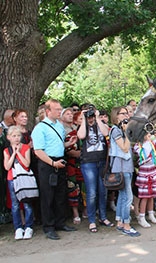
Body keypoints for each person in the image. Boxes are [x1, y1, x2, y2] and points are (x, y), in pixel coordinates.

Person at [31, 99, 78, 240]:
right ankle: (49, 227)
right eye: (57, 109)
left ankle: (60, 222)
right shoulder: (40, 128)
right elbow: (38, 151)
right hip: (48, 163)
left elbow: (58, 144)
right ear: (47, 111)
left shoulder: (59, 125)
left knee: (60, 194)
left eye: (60, 109)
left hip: (60, 160)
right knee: (48, 196)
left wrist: (68, 143)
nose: (60, 112)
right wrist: (52, 163)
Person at [77, 104, 114, 233]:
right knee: (92, 193)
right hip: (88, 163)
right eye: (89, 114)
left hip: (102, 161)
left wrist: (98, 118)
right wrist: (83, 117)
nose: (91, 117)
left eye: (92, 113)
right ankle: (92, 220)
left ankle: (103, 217)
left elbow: (106, 132)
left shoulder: (101, 123)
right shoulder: (82, 126)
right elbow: (81, 136)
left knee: (103, 191)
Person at [109, 106, 140, 237]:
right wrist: (127, 133)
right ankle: (126, 225)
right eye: (123, 113)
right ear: (116, 116)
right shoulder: (116, 130)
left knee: (122, 196)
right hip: (121, 167)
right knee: (128, 197)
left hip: (126, 166)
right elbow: (125, 148)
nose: (126, 115)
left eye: (127, 113)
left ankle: (119, 222)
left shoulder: (120, 130)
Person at [3, 126, 34, 240]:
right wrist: (13, 153)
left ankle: (29, 226)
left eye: (18, 136)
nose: (16, 138)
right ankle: (18, 227)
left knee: (27, 203)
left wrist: (19, 153)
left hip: (24, 178)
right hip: (12, 178)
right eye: (14, 136)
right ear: (9, 137)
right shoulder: (6, 150)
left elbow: (26, 164)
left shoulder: (25, 147)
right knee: (15, 204)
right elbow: (7, 166)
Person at [134, 133, 156, 228]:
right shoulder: (139, 145)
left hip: (152, 170)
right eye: (147, 133)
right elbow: (144, 154)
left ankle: (150, 214)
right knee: (145, 196)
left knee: (151, 195)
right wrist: (147, 141)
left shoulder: (152, 143)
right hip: (144, 172)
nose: (149, 135)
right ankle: (142, 217)